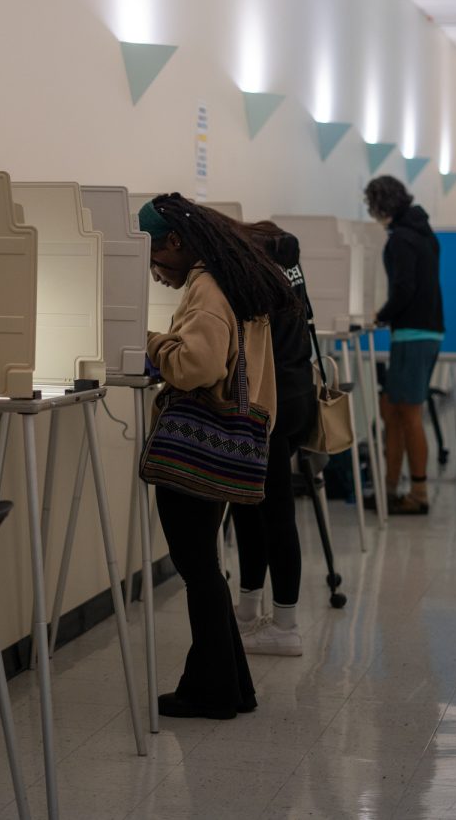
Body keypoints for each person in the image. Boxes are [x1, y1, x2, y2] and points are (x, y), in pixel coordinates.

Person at [139, 193, 292, 719]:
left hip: (198, 443)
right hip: (237, 438)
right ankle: (232, 685)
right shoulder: (232, 276)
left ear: (176, 242)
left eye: (154, 257)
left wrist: (153, 343)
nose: (155, 272)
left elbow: (197, 366)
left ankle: (211, 692)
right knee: (206, 567)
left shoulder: (206, 286)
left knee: (198, 569)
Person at [229, 220, 315, 657]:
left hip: (271, 401)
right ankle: (250, 612)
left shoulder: (254, 275)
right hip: (295, 395)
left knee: (273, 512)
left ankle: (285, 625)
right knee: (253, 505)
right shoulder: (288, 262)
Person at [366, 175, 444, 515]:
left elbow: (404, 288)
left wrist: (379, 316)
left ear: (381, 205)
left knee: (409, 414)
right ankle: (390, 488)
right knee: (392, 409)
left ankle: (418, 493)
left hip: (412, 334)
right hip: (425, 332)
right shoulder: (425, 234)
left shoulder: (400, 239)